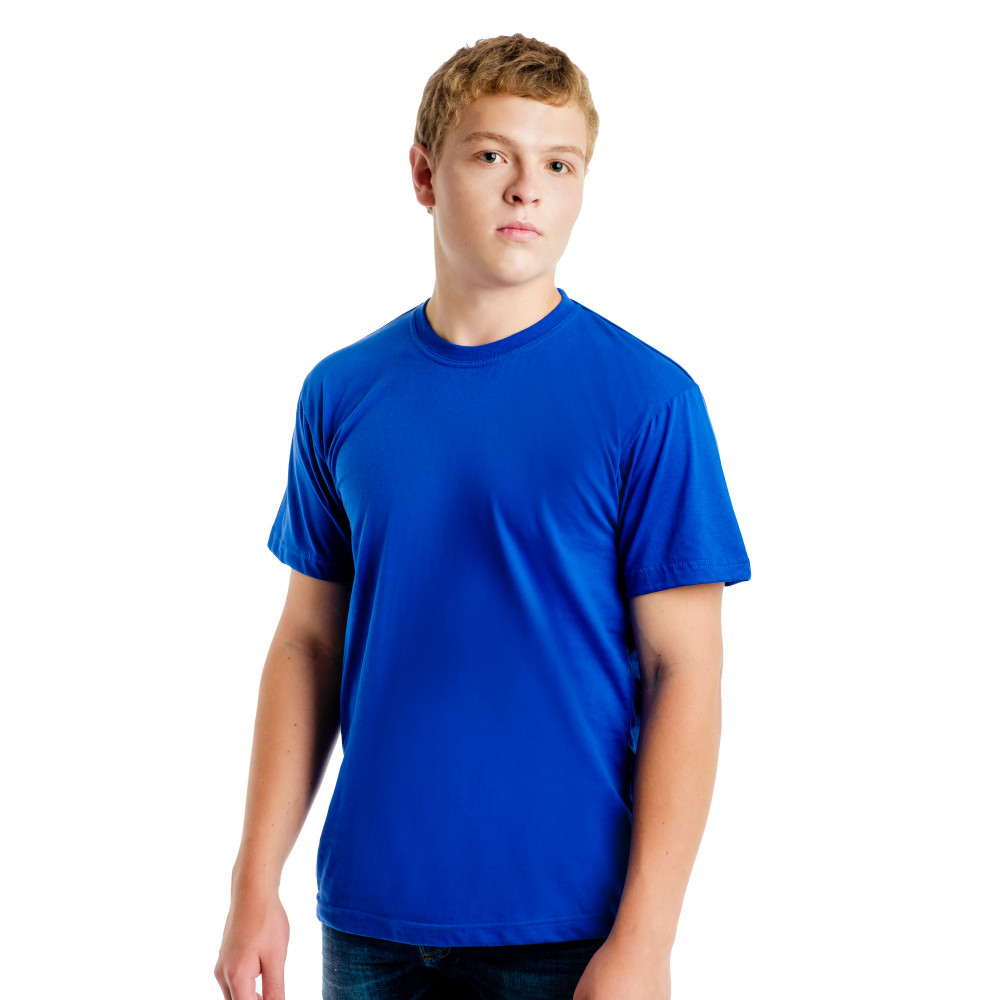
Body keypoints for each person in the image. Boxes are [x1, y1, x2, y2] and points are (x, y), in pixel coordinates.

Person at [215, 32, 750, 1000]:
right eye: (492, 154)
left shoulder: (648, 400)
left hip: (568, 928)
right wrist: (256, 880)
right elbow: (306, 643)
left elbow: (686, 672)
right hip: (369, 920)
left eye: (558, 164)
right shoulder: (341, 392)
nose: (526, 189)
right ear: (424, 175)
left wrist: (646, 939)